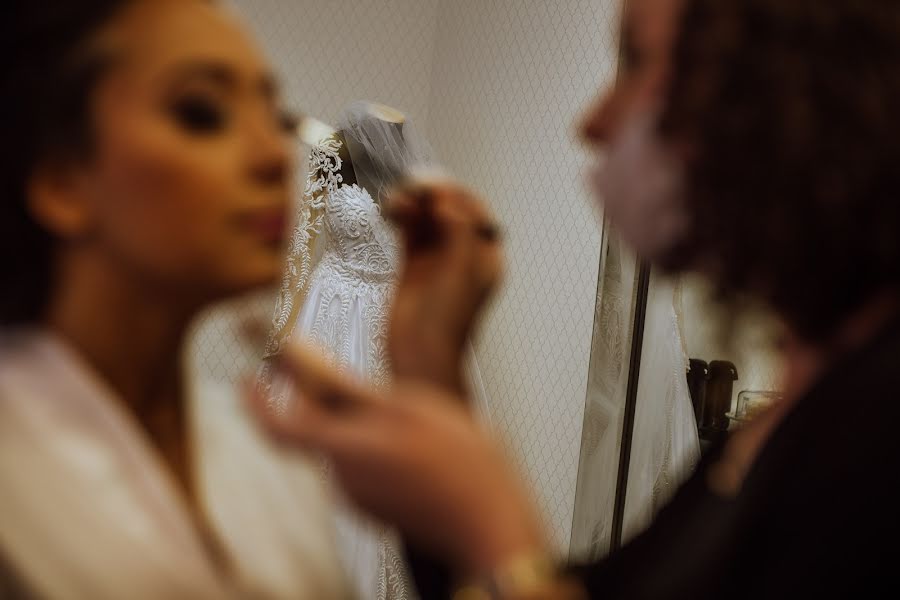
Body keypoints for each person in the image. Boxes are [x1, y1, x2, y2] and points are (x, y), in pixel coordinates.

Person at [250, 0, 900, 598]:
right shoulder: (795, 407)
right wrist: (430, 366)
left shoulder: (875, 429)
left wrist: (488, 517)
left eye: (636, 62)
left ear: (789, 98)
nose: (592, 122)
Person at [0, 0, 349, 597]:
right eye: (201, 113)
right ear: (62, 183)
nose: (274, 157)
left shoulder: (267, 452)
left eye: (276, 116)